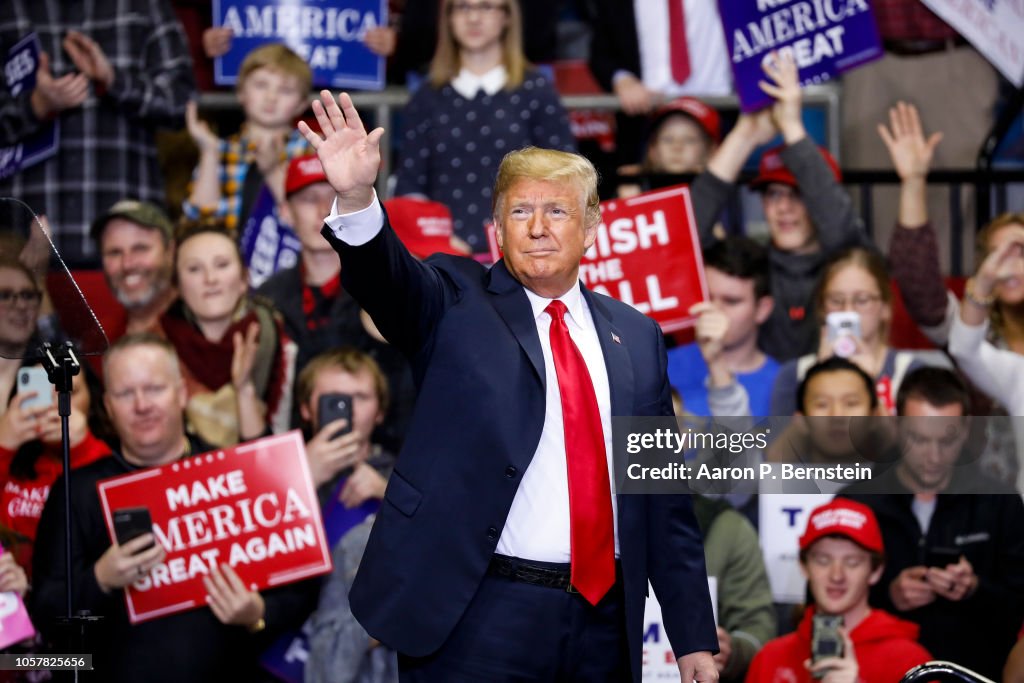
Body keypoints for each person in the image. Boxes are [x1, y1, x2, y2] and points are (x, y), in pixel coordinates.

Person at [298, 92, 718, 681]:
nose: (539, 228)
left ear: (592, 226)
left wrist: (692, 635)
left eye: (558, 211)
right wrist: (356, 198)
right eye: (521, 212)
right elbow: (389, 281)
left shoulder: (637, 335)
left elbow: (664, 500)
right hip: (480, 613)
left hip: (605, 621)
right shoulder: (454, 300)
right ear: (496, 228)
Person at [30, 333, 317, 681]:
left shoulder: (234, 474)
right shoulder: (77, 491)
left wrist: (258, 613)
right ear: (107, 406)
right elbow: (45, 614)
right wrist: (101, 579)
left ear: (181, 394)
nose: (141, 405)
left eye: (154, 389)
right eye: (125, 393)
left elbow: (301, 591)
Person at [839, 366, 1024, 680]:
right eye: (919, 439)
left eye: (946, 441)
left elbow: (1019, 605)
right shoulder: (859, 501)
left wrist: (975, 590)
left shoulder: (999, 502)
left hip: (976, 673)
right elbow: (821, 600)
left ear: (965, 430)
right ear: (897, 426)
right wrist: (887, 596)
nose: (933, 455)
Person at [691, 52, 870, 361]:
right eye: (773, 195)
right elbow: (686, 236)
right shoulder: (753, 265)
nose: (784, 208)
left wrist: (791, 124)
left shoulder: (847, 263)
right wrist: (743, 136)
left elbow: (838, 224)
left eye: (798, 195)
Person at [0, 2, 194, 267]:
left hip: (127, 243)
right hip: (21, 243)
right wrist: (34, 106)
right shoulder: (9, 10)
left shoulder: (147, 6)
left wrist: (114, 81)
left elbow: (183, 104)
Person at [256, 155, 419, 450]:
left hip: (387, 462)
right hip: (295, 466)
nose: (322, 210)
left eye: (333, 198)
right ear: (285, 212)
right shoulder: (265, 300)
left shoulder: (385, 287)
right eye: (308, 199)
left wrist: (388, 472)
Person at [393, 0, 575, 254]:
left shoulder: (537, 91)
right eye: (462, 7)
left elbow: (566, 180)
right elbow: (410, 190)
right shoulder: (425, 98)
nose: (474, 18)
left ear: (507, 16)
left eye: (487, 6)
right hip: (444, 259)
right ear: (448, 18)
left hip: (526, 254)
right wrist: (437, 244)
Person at [0, 259, 110, 575]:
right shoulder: (13, 464)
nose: (53, 406)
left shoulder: (106, 456)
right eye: (39, 393)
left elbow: (111, 516)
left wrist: (83, 450)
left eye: (69, 393)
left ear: (94, 400)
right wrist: (3, 446)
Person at [745, 498, 932, 683]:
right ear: (803, 566)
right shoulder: (770, 658)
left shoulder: (911, 663)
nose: (836, 575)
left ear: (875, 571)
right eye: (823, 560)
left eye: (852, 562)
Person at [182, 43, 312, 283]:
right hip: (227, 280)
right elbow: (199, 224)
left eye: (285, 90)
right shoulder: (221, 150)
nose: (271, 97)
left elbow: (311, 224)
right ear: (241, 92)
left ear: (302, 104)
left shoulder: (310, 150)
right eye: (261, 85)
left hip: (291, 277)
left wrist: (273, 170)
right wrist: (209, 154)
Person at [160, 223, 294, 447]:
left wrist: (244, 390)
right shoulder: (157, 348)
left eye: (222, 265)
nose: (210, 279)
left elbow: (279, 448)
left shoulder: (276, 342)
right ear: (178, 286)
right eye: (194, 269)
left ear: (244, 280)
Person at [771, 247, 934, 417]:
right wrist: (819, 376)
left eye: (862, 300)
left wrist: (870, 384)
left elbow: (916, 442)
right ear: (821, 309)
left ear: (885, 307)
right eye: (836, 301)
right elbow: (782, 442)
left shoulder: (911, 373)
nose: (848, 310)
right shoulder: (794, 375)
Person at [668, 237, 777, 418]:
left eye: (731, 301)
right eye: (707, 297)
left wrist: (716, 362)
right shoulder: (660, 366)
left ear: (762, 310)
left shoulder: (782, 384)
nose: (714, 310)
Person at [92, 199, 177, 342]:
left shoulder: (205, 327)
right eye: (115, 252)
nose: (127, 264)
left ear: (170, 251)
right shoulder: (101, 339)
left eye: (140, 248)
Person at [617, 96, 720, 198]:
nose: (677, 147)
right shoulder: (632, 188)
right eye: (668, 139)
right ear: (652, 149)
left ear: (711, 150)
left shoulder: (720, 194)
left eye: (689, 140)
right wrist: (628, 204)